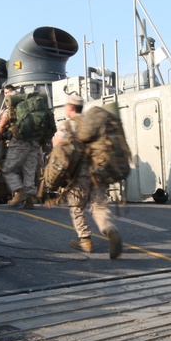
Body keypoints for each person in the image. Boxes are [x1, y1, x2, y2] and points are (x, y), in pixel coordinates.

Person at [54, 93, 123, 259]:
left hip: (79, 174)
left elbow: (57, 145)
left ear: (70, 107)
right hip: (99, 171)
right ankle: (110, 229)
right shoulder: (94, 124)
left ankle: (85, 241)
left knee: (76, 206)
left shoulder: (69, 125)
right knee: (98, 205)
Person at [0, 85, 39, 209]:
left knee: (9, 169)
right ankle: (29, 199)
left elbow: (2, 125)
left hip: (19, 142)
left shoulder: (10, 108)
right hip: (34, 141)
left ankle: (19, 192)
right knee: (28, 170)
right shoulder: (31, 106)